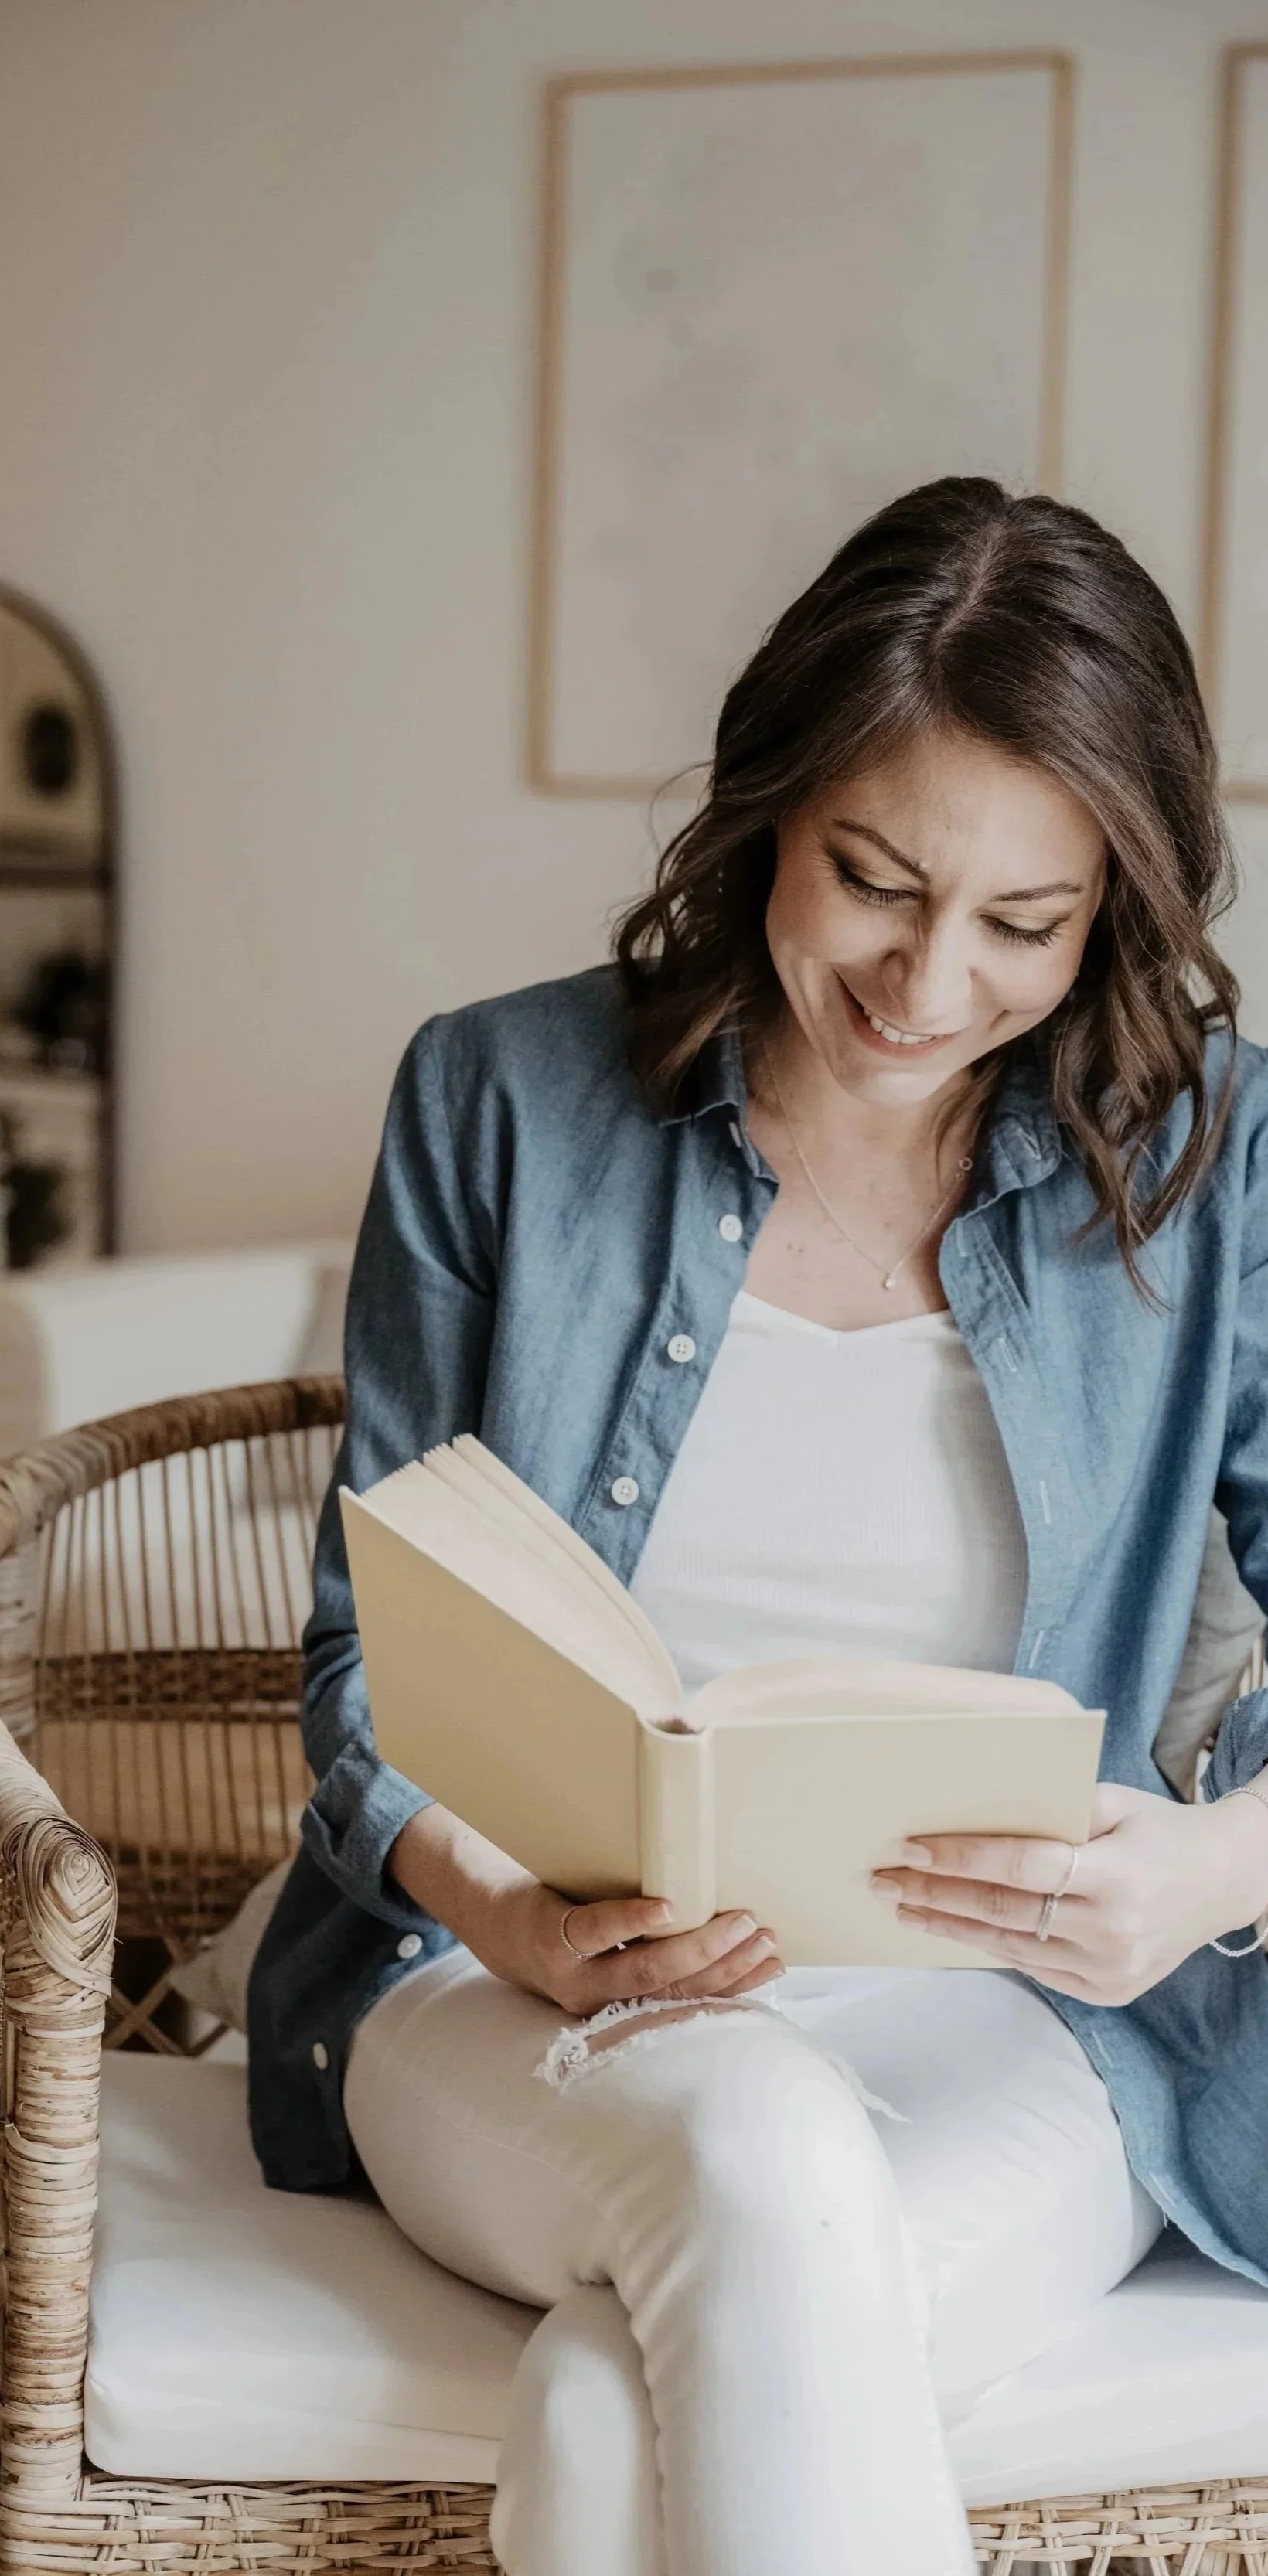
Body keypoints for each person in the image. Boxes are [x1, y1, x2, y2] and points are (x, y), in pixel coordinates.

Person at [249, 477, 1268, 2576]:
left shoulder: (1217, 1164)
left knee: (626, 2407)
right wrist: (510, 1904)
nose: (923, 983)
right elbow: (364, 1657)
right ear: (764, 808)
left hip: (1016, 2017)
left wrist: (1205, 1870)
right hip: (502, 1984)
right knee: (756, 2137)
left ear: (1120, 912)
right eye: (871, 879)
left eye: (1025, 925)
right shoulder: (500, 1099)